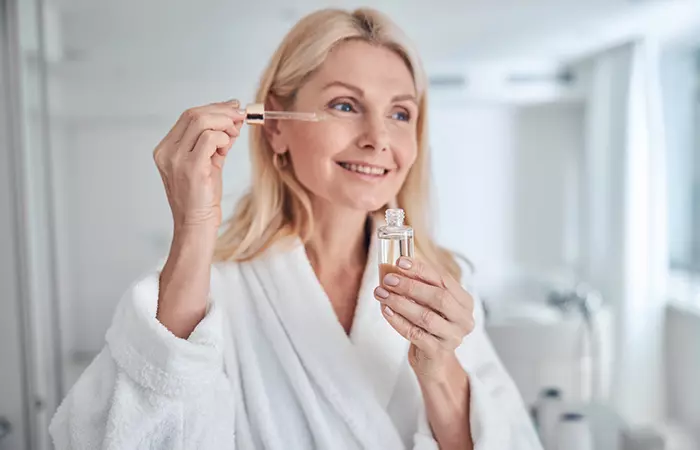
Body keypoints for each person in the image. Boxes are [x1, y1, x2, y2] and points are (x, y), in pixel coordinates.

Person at [49, 8, 542, 450]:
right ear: (277, 125)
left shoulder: (445, 280)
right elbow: (112, 437)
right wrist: (194, 227)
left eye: (399, 113)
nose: (378, 139)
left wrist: (439, 371)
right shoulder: (208, 285)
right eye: (346, 105)